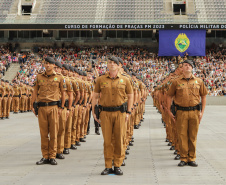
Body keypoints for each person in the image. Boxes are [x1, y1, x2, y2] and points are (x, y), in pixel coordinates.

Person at [92, 56, 133, 175]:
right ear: (107, 65)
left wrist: (129, 112)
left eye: (114, 63)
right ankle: (108, 165)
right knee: (107, 141)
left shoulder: (125, 80)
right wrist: (94, 111)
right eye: (110, 62)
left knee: (119, 140)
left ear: (120, 65)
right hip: (105, 113)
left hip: (120, 113)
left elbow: (130, 95)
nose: (112, 64)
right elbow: (95, 96)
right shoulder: (101, 79)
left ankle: (118, 165)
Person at [167, 60, 208, 167]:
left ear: (192, 68)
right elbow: (169, 95)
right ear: (182, 68)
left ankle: (192, 158)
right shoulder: (176, 82)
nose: (187, 67)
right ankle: (183, 158)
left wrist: (202, 112)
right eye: (185, 65)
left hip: (195, 112)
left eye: (190, 65)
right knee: (182, 136)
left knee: (193, 136)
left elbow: (203, 96)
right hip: (181, 112)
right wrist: (169, 110)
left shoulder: (198, 81)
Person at [32, 57, 66, 165]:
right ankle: (45, 156)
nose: (47, 65)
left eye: (50, 64)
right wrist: (32, 105)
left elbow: (63, 94)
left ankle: (52, 156)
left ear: (53, 65)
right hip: (42, 107)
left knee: (54, 133)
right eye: (46, 63)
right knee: (43, 133)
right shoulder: (39, 77)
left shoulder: (59, 77)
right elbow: (35, 91)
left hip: (53, 107)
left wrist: (61, 107)